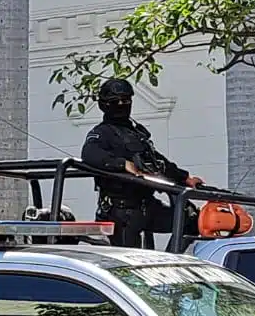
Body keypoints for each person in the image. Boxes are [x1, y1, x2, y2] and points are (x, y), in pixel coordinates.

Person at [80, 78, 205, 250]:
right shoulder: (101, 133)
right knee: (128, 260)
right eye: (115, 101)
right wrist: (122, 164)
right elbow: (90, 154)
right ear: (104, 104)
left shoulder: (136, 133)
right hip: (121, 211)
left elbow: (157, 161)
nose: (121, 104)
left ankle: (169, 264)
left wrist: (185, 178)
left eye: (126, 100)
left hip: (147, 205)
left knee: (190, 220)